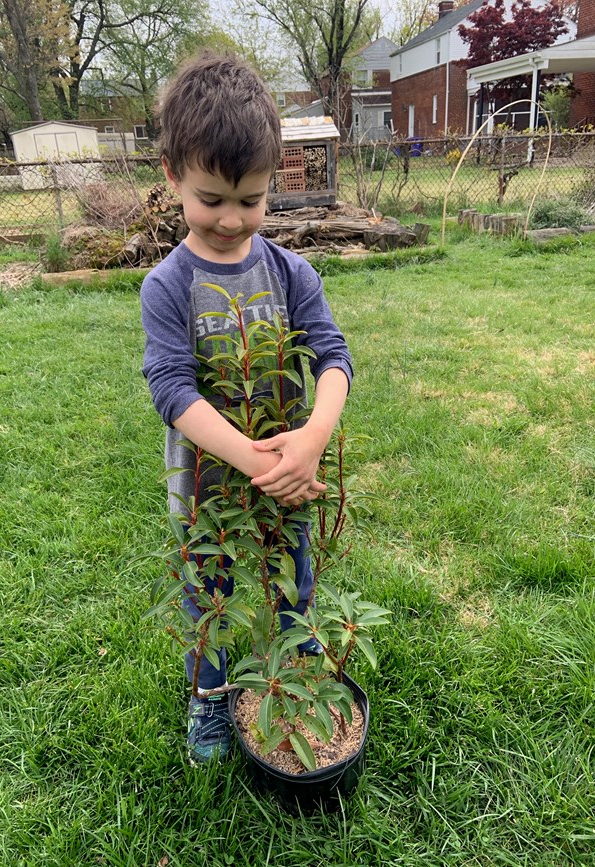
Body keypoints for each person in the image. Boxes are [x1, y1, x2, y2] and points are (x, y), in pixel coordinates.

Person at [140, 51, 353, 765]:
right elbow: (172, 390)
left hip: (290, 478)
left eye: (251, 199)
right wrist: (261, 460)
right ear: (171, 174)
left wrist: (313, 439)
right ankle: (210, 703)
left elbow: (332, 357)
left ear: (274, 181)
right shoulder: (165, 287)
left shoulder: (293, 274)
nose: (232, 218)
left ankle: (296, 685)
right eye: (211, 199)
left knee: (294, 582)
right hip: (210, 492)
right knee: (211, 599)